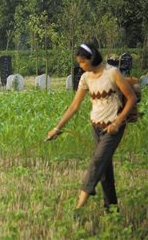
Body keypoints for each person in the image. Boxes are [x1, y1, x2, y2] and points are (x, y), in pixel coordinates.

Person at [45, 43, 137, 212]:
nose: (81, 66)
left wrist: (117, 123)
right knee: (104, 168)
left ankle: (79, 205)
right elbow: (74, 106)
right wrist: (57, 129)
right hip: (96, 126)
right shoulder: (86, 77)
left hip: (113, 126)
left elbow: (131, 99)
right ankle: (112, 209)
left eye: (83, 62)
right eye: (79, 63)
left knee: (97, 162)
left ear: (92, 58)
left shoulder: (112, 73)